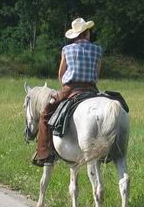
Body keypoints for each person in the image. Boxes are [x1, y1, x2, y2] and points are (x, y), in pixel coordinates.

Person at [33, 17, 102, 166]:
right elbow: (97, 74)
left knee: (45, 113)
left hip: (71, 88)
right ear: (87, 33)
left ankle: (44, 153)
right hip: (92, 89)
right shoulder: (97, 49)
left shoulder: (67, 49)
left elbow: (61, 74)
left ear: (76, 35)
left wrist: (64, 88)